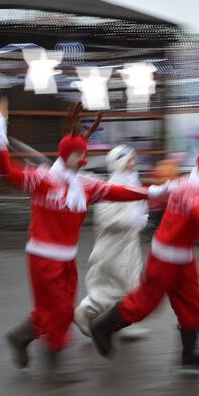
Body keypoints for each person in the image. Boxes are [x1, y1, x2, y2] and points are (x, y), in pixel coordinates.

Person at [0, 99, 165, 379]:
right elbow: (6, 172)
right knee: (58, 311)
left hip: (67, 259)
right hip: (43, 258)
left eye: (84, 154)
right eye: (79, 154)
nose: (83, 159)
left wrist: (152, 192)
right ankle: (54, 366)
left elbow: (116, 191)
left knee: (60, 310)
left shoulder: (85, 185)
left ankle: (20, 336)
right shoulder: (43, 181)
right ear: (66, 155)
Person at [89, 144, 199, 369]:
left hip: (183, 257)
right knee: (145, 303)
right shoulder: (188, 188)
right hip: (164, 256)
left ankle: (189, 355)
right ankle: (102, 326)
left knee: (191, 304)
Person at [74, 145, 151, 339]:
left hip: (129, 246)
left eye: (134, 160)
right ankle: (84, 312)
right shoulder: (109, 188)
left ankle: (121, 323)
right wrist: (132, 220)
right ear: (119, 163)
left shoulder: (133, 183)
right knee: (109, 287)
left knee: (131, 285)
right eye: (129, 160)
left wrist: (141, 219)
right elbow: (106, 219)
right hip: (112, 248)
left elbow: (141, 209)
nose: (133, 164)